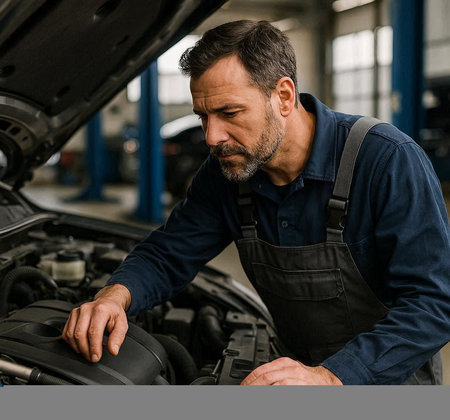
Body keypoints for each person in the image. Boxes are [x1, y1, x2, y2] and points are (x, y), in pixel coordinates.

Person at [62, 20, 450, 385]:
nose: (213, 136)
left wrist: (332, 377)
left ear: (283, 96)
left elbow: (433, 302)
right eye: (203, 117)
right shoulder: (228, 174)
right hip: (289, 374)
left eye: (229, 113)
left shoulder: (386, 160)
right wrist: (115, 296)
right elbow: (168, 253)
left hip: (389, 381)